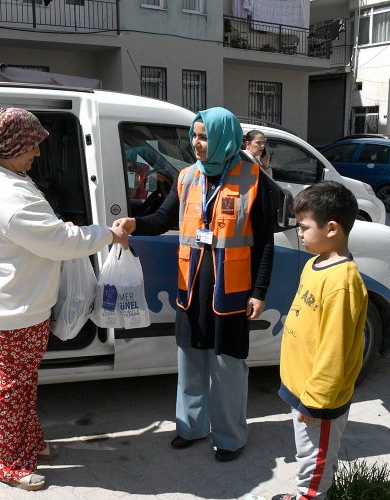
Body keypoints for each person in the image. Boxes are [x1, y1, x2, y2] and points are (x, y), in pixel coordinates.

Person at [0, 107, 129, 491]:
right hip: (13, 308)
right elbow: (57, 242)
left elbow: (45, 232)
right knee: (11, 385)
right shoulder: (8, 193)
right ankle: (6, 462)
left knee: (22, 380)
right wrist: (107, 234)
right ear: (9, 146)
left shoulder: (3, 176)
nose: (37, 154)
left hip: (18, 303)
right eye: (31, 146)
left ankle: (26, 443)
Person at [113, 107, 276, 462]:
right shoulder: (187, 177)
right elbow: (161, 219)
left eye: (203, 137)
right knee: (189, 363)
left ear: (223, 138)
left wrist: (259, 292)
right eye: (194, 136)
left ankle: (231, 437)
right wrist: (134, 224)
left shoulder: (254, 179)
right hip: (191, 289)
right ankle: (191, 427)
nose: (196, 144)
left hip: (231, 292)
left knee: (228, 368)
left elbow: (265, 241)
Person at [273, 181, 367, 500]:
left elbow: (335, 351)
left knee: (315, 467)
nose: (299, 233)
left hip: (319, 400)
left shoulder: (343, 282)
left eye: (303, 226)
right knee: (307, 456)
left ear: (331, 228)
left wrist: (316, 400)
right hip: (302, 388)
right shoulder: (317, 262)